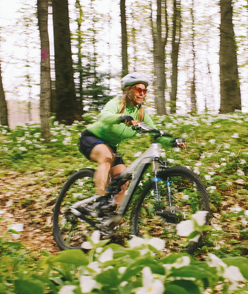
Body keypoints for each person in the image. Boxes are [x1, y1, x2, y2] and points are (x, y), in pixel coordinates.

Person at [77, 72, 186, 222]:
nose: (142, 93)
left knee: (122, 182)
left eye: (144, 90)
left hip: (110, 146)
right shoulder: (117, 103)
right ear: (128, 90)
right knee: (106, 157)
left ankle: (109, 223)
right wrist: (121, 118)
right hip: (91, 138)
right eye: (138, 89)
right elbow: (104, 117)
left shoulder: (140, 113)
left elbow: (156, 133)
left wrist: (173, 141)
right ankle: (101, 200)